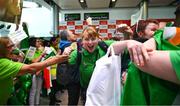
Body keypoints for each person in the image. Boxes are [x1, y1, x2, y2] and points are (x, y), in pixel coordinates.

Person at [0, 37, 68, 105]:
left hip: (38, 72)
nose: (14, 49)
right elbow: (32, 65)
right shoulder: (3, 62)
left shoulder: (38, 50)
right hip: (34, 73)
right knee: (33, 90)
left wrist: (48, 59)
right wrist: (51, 60)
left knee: (37, 90)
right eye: (9, 47)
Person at [67, 26, 115, 104]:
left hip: (104, 90)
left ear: (98, 39)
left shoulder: (104, 47)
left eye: (93, 39)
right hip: (86, 91)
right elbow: (62, 60)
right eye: (86, 39)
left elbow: (123, 46)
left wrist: (128, 38)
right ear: (82, 41)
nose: (90, 42)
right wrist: (65, 52)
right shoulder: (77, 54)